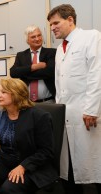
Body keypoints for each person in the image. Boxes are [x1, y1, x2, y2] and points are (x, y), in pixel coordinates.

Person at [47, 4, 101, 194]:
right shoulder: (60, 49)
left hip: (86, 112)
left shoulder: (91, 37)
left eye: (56, 23)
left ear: (70, 20)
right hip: (66, 114)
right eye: (50, 25)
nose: (52, 28)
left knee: (92, 163)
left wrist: (92, 109)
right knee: (68, 164)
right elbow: (59, 83)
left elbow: (97, 73)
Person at [10, 25, 56, 103]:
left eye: (39, 35)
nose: (37, 39)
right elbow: (13, 72)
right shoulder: (21, 55)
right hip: (27, 102)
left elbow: (49, 72)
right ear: (27, 40)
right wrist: (34, 66)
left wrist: (24, 73)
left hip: (48, 101)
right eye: (33, 37)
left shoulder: (51, 52)